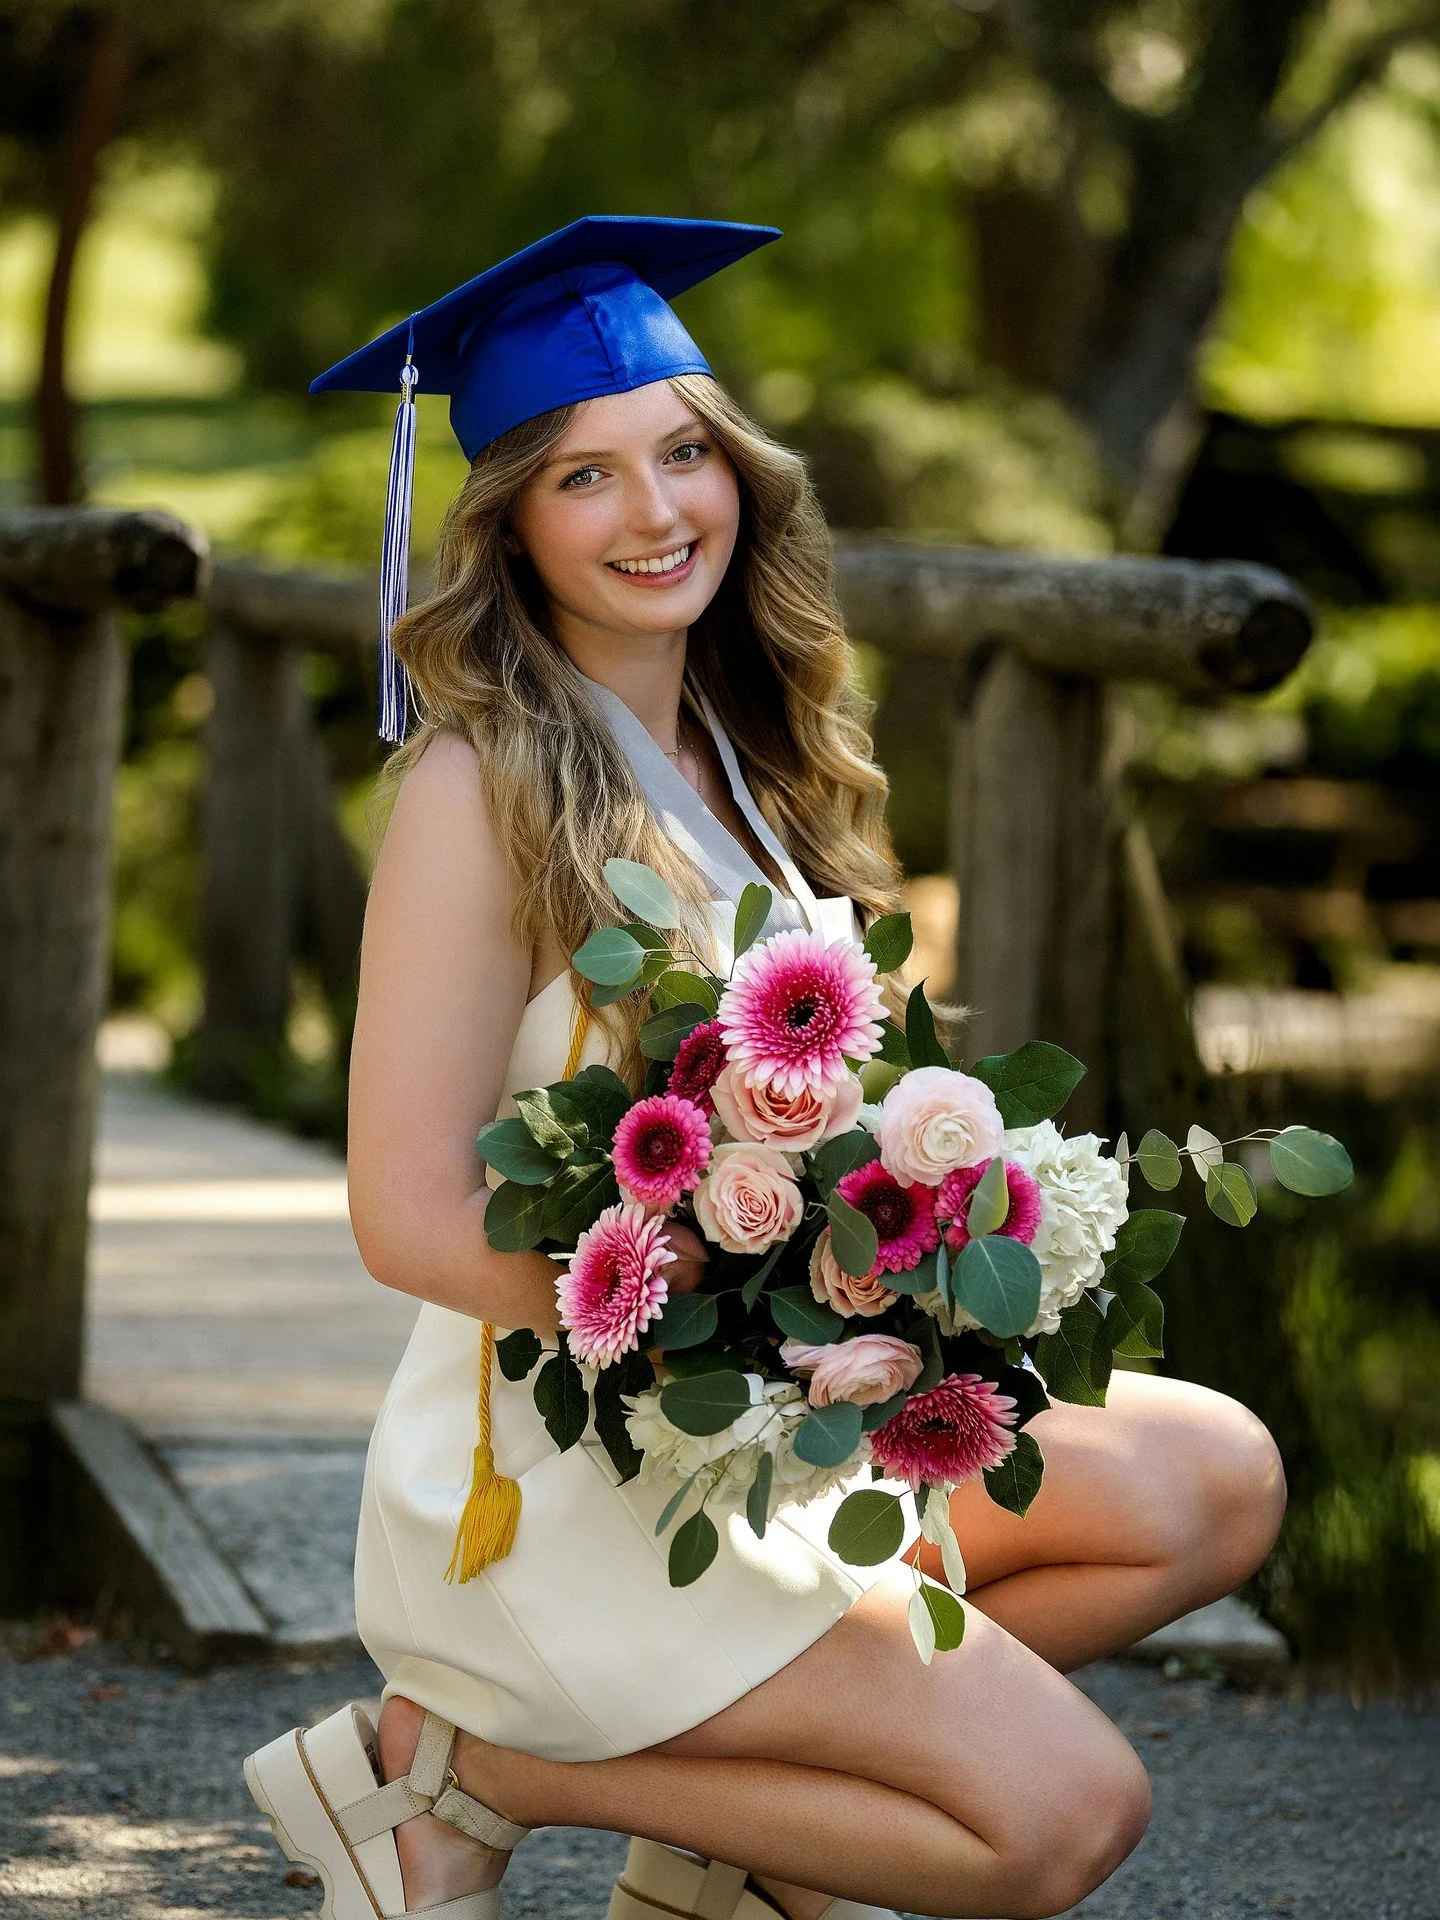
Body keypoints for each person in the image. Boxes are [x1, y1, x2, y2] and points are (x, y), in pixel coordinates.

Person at [243, 217, 1287, 1920]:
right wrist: (752, 1324)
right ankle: (461, 1764)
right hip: (595, 1477)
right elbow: (406, 1217)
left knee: (1214, 1479)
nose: (657, 515)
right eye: (585, 478)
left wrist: (913, 1256)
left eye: (683, 454)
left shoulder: (741, 749)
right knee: (1063, 1820)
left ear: (741, 469)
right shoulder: (480, 788)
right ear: (509, 520)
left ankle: (744, 1827)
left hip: (780, 1427)